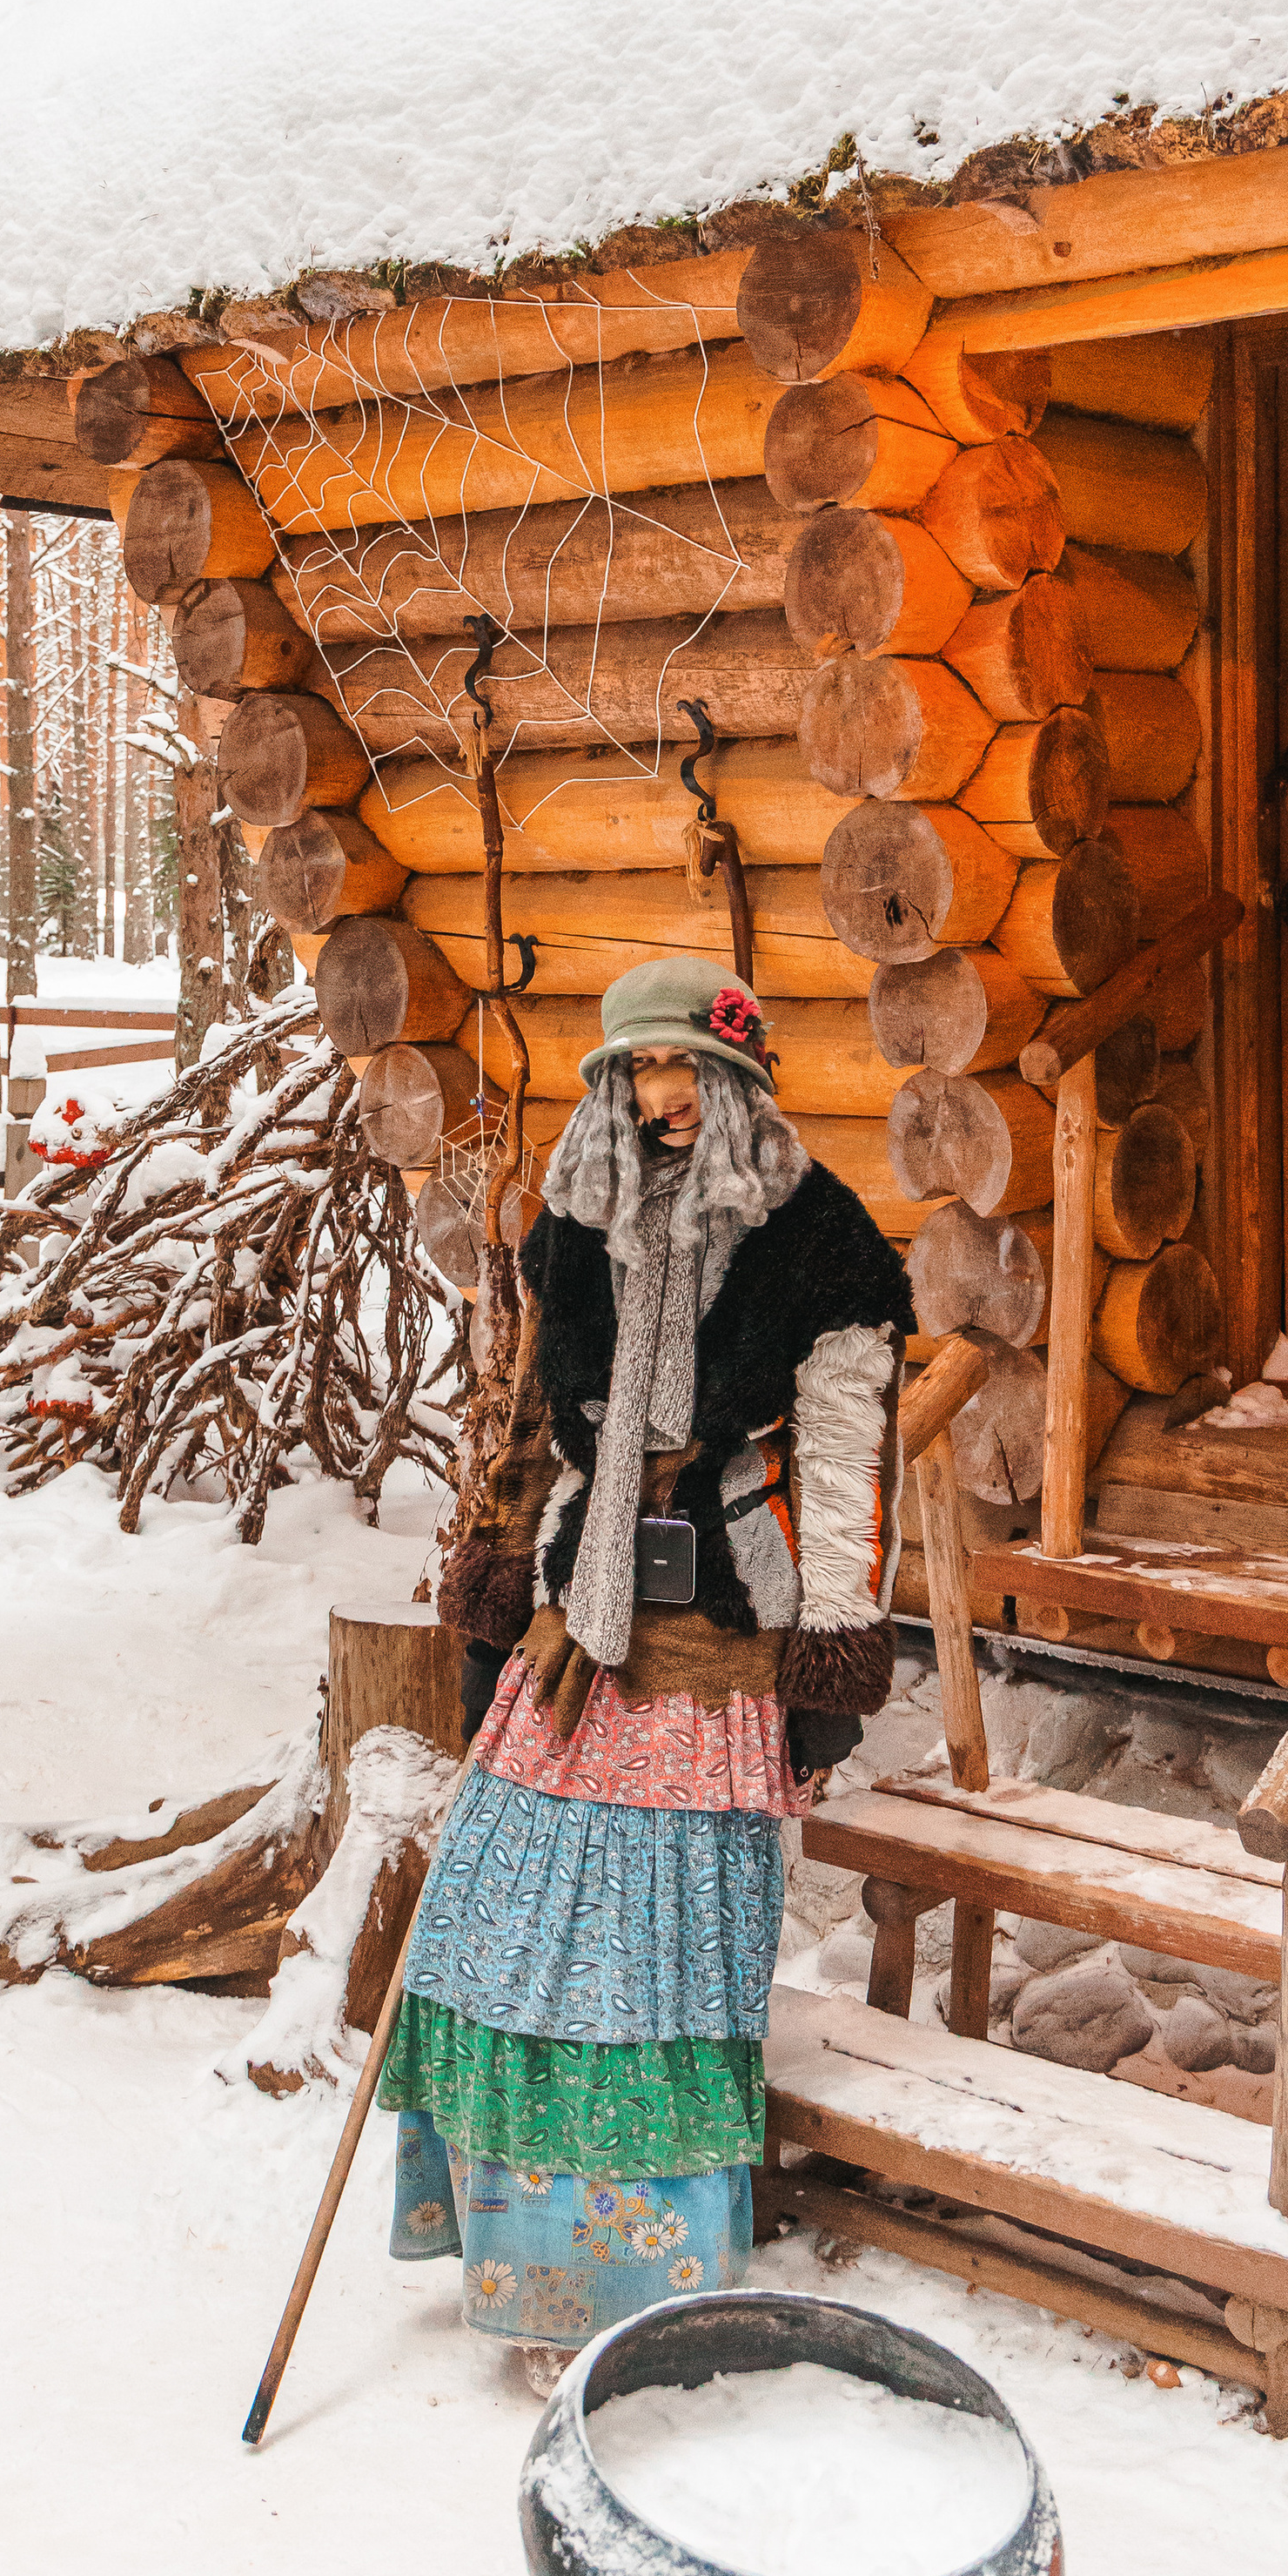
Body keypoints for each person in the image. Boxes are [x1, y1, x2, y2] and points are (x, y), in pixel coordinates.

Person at [379, 952, 916, 2385]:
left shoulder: (821, 1240)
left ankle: (635, 2282)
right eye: (637, 1071)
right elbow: (522, 1425)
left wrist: (831, 1664)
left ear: (740, 1079)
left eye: (688, 1068)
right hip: (575, 1622)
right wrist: (497, 1594)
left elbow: (846, 1467)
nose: (661, 1096)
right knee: (494, 1923)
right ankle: (512, 2250)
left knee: (648, 1961)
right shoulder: (574, 1220)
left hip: (720, 1631)